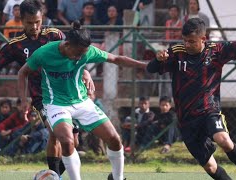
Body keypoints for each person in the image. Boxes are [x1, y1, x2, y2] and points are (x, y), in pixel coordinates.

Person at [146, 8, 236, 180]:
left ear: (203, 39)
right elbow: (150, 69)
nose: (187, 45)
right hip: (187, 120)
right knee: (211, 167)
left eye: (191, 41)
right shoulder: (176, 52)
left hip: (209, 111)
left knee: (223, 139)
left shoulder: (217, 50)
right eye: (185, 41)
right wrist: (158, 59)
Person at [17, 20, 146, 180]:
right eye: (78, 53)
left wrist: (144, 66)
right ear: (67, 44)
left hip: (82, 102)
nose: (80, 58)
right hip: (55, 104)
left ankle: (117, 178)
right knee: (66, 140)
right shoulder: (44, 53)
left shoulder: (87, 52)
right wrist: (23, 100)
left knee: (114, 139)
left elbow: (116, 59)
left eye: (83, 54)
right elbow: (23, 73)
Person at [0, 0, 94, 178]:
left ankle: (52, 175)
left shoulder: (54, 35)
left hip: (66, 93)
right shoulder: (15, 45)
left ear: (43, 18)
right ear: (21, 20)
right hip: (42, 96)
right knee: (55, 133)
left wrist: (85, 72)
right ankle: (55, 176)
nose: (34, 26)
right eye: (29, 22)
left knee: (73, 141)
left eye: (38, 22)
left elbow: (74, 51)